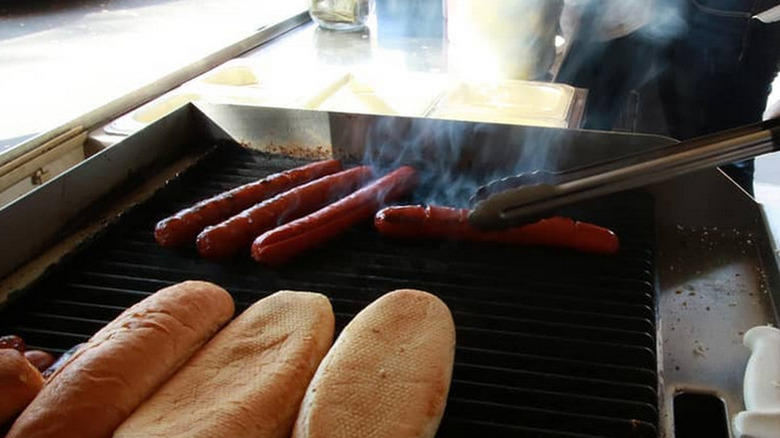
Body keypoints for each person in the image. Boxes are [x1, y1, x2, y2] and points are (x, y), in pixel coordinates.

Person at [656, 0, 780, 195]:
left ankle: (729, 218)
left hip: (759, 24)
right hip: (682, 16)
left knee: (733, 152)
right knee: (674, 146)